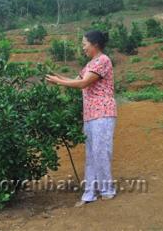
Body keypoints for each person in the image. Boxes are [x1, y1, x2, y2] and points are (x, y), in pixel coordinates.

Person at [45, 30, 117, 207]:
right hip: (91, 115)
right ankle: (90, 193)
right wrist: (57, 78)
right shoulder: (90, 64)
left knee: (101, 151)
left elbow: (83, 83)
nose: (82, 47)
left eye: (84, 43)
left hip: (103, 113)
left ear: (95, 44)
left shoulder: (103, 60)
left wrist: (59, 82)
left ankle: (107, 190)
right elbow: (76, 80)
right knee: (92, 154)